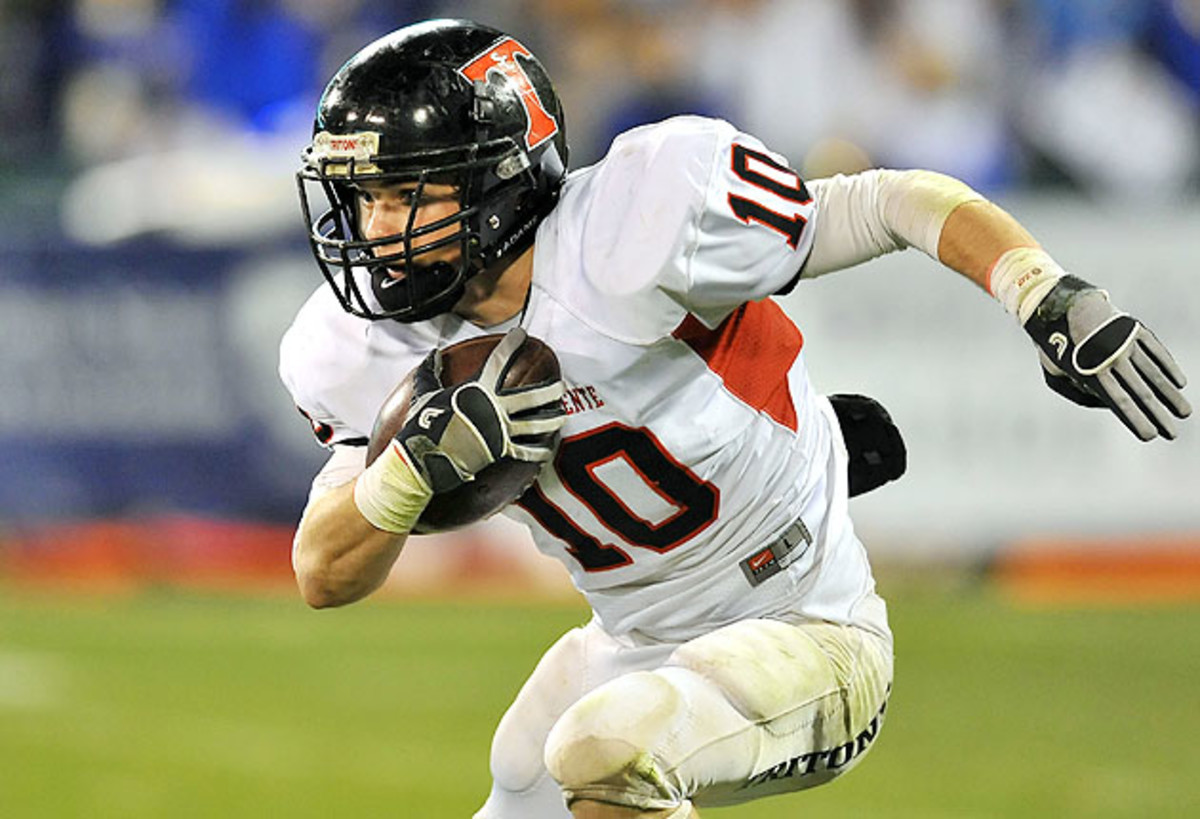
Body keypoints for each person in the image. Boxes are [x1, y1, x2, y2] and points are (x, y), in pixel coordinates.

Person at [279, 19, 1191, 819]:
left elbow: (887, 203)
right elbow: (323, 571)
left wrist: (1043, 292)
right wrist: (403, 476)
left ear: (501, 182)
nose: (374, 227)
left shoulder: (637, 226)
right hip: (636, 642)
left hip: (810, 629)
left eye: (405, 195)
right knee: (528, 770)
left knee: (601, 749)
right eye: (362, 197)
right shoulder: (362, 346)